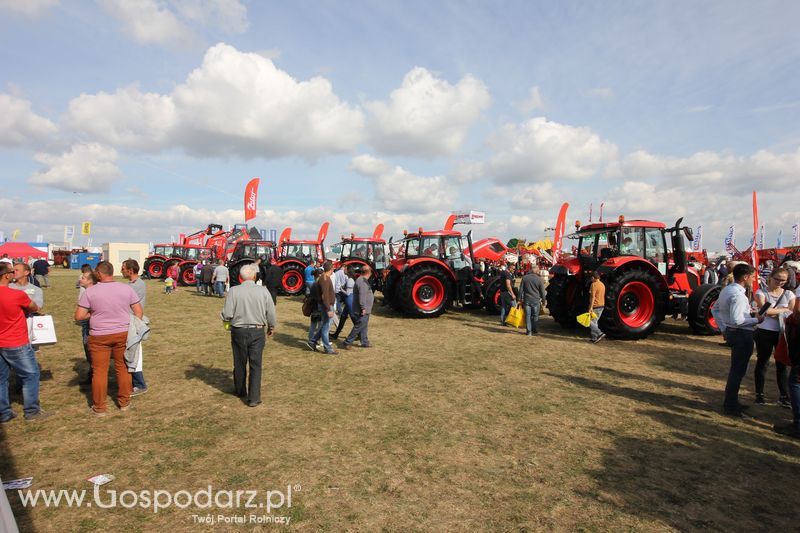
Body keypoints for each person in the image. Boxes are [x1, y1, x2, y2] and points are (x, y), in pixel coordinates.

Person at [75, 261, 143, 416]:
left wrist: (94, 314)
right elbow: (138, 311)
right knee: (123, 368)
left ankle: (100, 407)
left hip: (99, 335)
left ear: (99, 273)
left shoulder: (90, 292)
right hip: (123, 333)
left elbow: (79, 316)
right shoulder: (126, 288)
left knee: (99, 371)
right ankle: (124, 403)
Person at [220, 263, 277, 407]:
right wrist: (271, 326)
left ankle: (240, 390)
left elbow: (227, 314)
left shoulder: (233, 291)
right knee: (255, 364)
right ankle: (254, 398)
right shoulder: (263, 291)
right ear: (254, 276)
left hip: (238, 330)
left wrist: (226, 319)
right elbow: (271, 312)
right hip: (257, 331)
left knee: (239, 362)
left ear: (240, 277)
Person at [0, 262, 51, 422]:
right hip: (16, 340)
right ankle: (32, 411)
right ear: (7, 275)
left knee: (1, 378)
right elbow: (34, 307)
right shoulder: (16, 295)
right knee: (31, 374)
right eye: (11, 271)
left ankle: (4, 412)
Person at [714, 263, 764, 418]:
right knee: (737, 372)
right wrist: (756, 319)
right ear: (745, 277)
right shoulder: (738, 295)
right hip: (741, 334)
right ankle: (731, 405)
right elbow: (737, 320)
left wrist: (723, 328)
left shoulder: (727, 290)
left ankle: (732, 402)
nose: (754, 279)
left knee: (736, 370)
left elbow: (715, 309)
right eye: (753, 276)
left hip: (734, 332)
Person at [752, 267, 795, 407]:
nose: (780, 282)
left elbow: (792, 312)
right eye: (778, 279)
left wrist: (774, 312)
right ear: (770, 277)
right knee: (762, 362)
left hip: (782, 333)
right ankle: (759, 394)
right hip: (764, 331)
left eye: (784, 280)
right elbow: (765, 311)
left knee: (782, 364)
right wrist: (784, 311)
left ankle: (784, 395)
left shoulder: (789, 294)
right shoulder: (761, 292)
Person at [122, 259, 148, 396]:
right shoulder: (131, 284)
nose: (121, 271)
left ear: (130, 271)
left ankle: (140, 384)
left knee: (135, 353)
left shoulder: (137, 285)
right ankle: (135, 381)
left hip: (134, 322)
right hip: (129, 321)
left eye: (123, 268)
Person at [342, 264, 374, 349]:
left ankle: (364, 341)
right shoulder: (362, 281)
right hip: (362, 309)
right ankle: (347, 342)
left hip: (364, 308)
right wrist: (363, 308)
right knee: (359, 325)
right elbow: (362, 296)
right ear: (368, 272)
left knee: (363, 325)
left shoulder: (361, 280)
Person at [309, 260, 337, 355]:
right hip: (327, 305)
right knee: (326, 327)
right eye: (333, 267)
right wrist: (329, 309)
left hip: (327, 305)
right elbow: (324, 296)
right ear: (331, 269)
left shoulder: (324, 277)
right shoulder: (324, 279)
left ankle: (312, 341)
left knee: (325, 325)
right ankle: (327, 348)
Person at [76, 268, 96, 384]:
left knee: (90, 350)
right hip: (86, 324)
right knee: (87, 350)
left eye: (83, 278)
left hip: (91, 326)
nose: (80, 279)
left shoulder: (91, 293)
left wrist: (85, 315)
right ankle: (91, 373)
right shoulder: (84, 291)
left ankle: (94, 375)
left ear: (90, 281)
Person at [518, 266, 547, 336]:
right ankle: (534, 329)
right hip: (536, 300)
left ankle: (529, 331)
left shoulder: (525, 278)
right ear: (537, 271)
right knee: (535, 316)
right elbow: (543, 292)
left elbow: (520, 290)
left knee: (527, 316)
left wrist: (519, 299)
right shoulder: (539, 279)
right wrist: (544, 301)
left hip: (527, 300)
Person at [331, 266, 356, 340]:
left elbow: (348, 293)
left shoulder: (350, 280)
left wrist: (341, 289)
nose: (344, 270)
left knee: (353, 318)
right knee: (343, 318)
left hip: (349, 300)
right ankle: (336, 334)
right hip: (349, 300)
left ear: (348, 271)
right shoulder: (350, 279)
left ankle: (360, 335)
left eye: (345, 269)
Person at [306, 269, 323, 350]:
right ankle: (315, 340)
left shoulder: (313, 284)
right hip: (317, 306)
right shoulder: (317, 284)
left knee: (314, 324)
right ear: (319, 275)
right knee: (319, 325)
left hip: (314, 306)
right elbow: (319, 297)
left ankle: (312, 340)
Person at [588, 271, 606, 343]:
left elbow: (592, 297)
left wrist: (590, 307)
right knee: (595, 322)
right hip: (602, 305)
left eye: (591, 278)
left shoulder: (593, 285)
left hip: (596, 306)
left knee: (589, 322)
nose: (591, 279)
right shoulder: (602, 284)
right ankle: (594, 338)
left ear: (593, 277)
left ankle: (599, 333)